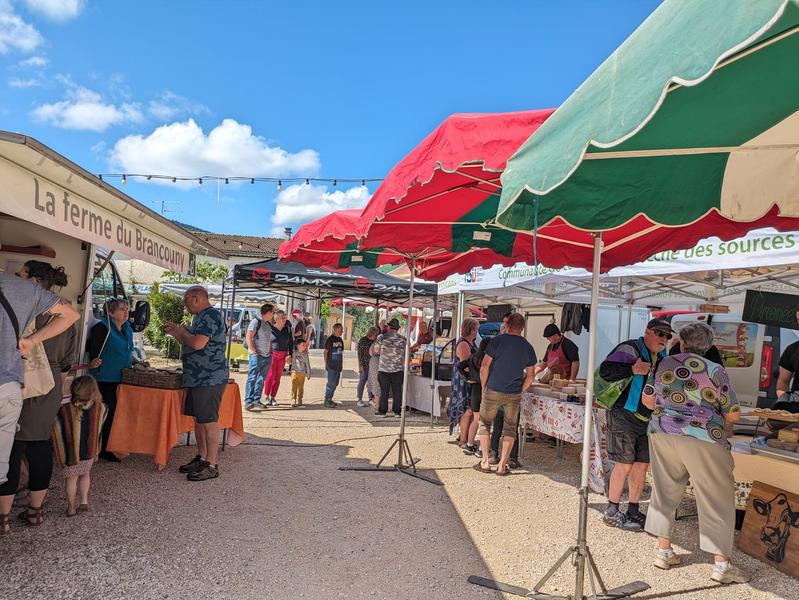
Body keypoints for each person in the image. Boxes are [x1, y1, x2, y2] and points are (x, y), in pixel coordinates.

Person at [642, 322, 750, 584]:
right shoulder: (715, 370)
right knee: (716, 495)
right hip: (703, 437)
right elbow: (733, 414)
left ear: (680, 341)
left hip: (662, 432)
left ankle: (663, 552)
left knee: (664, 490)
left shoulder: (662, 364)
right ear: (710, 345)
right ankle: (722, 567)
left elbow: (647, 400)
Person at [0, 262, 77, 530]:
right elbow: (69, 360)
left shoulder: (22, 303)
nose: (15, 277)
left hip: (18, 377)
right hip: (49, 383)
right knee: (39, 444)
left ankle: (4, 517)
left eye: (20, 274)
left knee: (11, 448)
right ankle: (35, 510)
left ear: (32, 280)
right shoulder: (62, 312)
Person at [599, 317, 671, 530]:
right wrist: (632, 370)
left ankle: (633, 510)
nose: (664, 339)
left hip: (647, 418)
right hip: (623, 414)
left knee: (641, 465)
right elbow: (605, 372)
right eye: (660, 334)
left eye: (667, 336)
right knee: (624, 463)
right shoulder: (629, 348)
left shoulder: (664, 357)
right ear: (647, 331)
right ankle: (611, 510)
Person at [165, 286, 228, 482]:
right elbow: (193, 338)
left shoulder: (211, 316)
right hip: (197, 377)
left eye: (186, 302)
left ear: (195, 298)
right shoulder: (200, 317)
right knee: (200, 421)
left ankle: (211, 464)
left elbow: (198, 343)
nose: (186, 306)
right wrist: (182, 332)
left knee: (208, 422)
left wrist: (179, 334)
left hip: (209, 378)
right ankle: (202, 457)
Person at [476, 313, 536, 475]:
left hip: (493, 389)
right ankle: (502, 465)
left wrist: (484, 386)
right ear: (523, 328)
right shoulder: (528, 347)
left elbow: (484, 366)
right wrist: (521, 389)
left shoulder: (497, 341)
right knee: (510, 429)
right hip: (513, 393)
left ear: (507, 325)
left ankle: (486, 461)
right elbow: (531, 375)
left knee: (485, 425)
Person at [88, 297, 147, 461]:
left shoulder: (127, 328)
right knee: (108, 412)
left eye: (127, 308)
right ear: (110, 312)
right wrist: (94, 361)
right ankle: (102, 449)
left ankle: (113, 445)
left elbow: (128, 351)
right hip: (105, 378)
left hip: (123, 377)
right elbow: (95, 353)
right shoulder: (102, 328)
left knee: (119, 413)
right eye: (122, 309)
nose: (126, 311)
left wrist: (138, 362)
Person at [51, 376, 107, 517]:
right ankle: (84, 502)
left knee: (71, 479)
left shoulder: (64, 409)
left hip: (70, 453)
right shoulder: (101, 408)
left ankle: (71, 507)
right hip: (89, 451)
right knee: (85, 475)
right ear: (94, 391)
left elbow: (56, 428)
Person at [458, 337, 491, 458]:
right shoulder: (489, 359)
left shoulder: (473, 356)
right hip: (485, 389)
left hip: (474, 390)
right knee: (485, 421)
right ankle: (482, 448)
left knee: (476, 418)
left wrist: (467, 377)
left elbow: (459, 366)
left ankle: (469, 444)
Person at [450, 319, 478, 447]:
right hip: (464, 380)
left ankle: (464, 436)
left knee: (469, 409)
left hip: (468, 379)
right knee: (466, 409)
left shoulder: (470, 343)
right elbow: (466, 364)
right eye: (476, 329)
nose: (477, 332)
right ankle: (463, 439)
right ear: (471, 330)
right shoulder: (463, 344)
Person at [244, 303, 274, 412]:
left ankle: (256, 400)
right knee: (252, 378)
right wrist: (254, 351)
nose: (273, 314)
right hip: (257, 356)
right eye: (273, 312)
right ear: (268, 312)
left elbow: (269, 339)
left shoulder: (268, 324)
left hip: (266, 356)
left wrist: (270, 351)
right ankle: (248, 401)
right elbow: (248, 337)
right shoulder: (255, 322)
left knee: (261, 379)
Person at [376, 318, 407, 417]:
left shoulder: (381, 337)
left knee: (384, 391)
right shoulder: (403, 339)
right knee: (397, 391)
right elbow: (406, 354)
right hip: (398, 369)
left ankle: (382, 411)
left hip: (384, 368)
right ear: (397, 329)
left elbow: (376, 350)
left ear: (389, 327)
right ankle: (397, 412)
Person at [263, 310, 292, 406]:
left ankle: (273, 397)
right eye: (282, 317)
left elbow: (290, 343)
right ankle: (266, 396)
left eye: (285, 317)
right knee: (270, 376)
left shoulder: (288, 329)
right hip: (272, 354)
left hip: (283, 355)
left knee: (278, 377)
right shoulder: (270, 329)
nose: (284, 319)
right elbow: (266, 341)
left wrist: (290, 354)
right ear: (276, 319)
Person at [324, 323, 344, 408]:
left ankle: (330, 398)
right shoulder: (329, 340)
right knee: (331, 383)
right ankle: (327, 400)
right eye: (341, 329)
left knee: (335, 383)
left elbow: (341, 353)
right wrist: (326, 363)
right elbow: (325, 352)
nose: (342, 331)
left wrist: (341, 363)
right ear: (335, 329)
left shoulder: (340, 340)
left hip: (338, 366)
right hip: (331, 365)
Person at [357, 327, 379, 407]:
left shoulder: (376, 342)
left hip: (373, 366)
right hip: (364, 365)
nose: (376, 336)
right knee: (362, 381)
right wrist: (360, 366)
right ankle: (359, 399)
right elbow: (359, 354)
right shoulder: (363, 340)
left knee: (372, 383)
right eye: (375, 334)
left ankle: (370, 399)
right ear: (371, 333)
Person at [291, 338, 311, 407]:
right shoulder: (294, 353)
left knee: (301, 387)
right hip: (294, 372)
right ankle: (293, 399)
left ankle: (300, 399)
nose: (305, 346)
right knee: (294, 386)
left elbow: (307, 364)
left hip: (302, 373)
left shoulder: (305, 354)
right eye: (303, 345)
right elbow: (291, 362)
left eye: (305, 345)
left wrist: (308, 373)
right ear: (298, 346)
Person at [368, 333, 382, 411]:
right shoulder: (380, 342)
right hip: (378, 364)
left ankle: (377, 404)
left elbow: (371, 352)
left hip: (375, 363)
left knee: (376, 383)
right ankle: (377, 403)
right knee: (377, 383)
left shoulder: (377, 342)